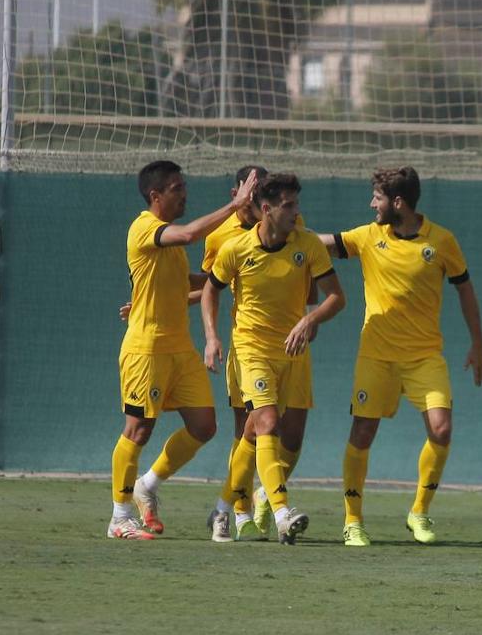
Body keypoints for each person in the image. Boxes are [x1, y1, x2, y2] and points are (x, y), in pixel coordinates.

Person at [319, 167, 482, 547]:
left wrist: (477, 343)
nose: (371, 204)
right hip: (376, 356)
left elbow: (465, 290)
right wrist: (280, 228)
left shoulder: (441, 241)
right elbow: (323, 243)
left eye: (376, 198)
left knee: (441, 430)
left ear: (398, 203)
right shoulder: (368, 236)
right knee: (362, 433)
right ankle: (353, 521)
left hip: (424, 357)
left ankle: (419, 512)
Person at [108, 161, 256, 540]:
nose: (184, 193)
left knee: (204, 426)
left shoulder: (168, 244)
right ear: (155, 195)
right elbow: (190, 234)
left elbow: (189, 282)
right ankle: (120, 516)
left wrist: (233, 274)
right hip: (146, 349)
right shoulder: (145, 227)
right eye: (176, 188)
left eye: (183, 186)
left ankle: (147, 485)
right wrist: (235, 205)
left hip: (179, 347)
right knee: (139, 429)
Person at [201, 173, 346, 545]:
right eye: (288, 205)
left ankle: (222, 508)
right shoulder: (236, 248)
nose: (296, 212)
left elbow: (336, 297)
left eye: (297, 204)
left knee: (267, 435)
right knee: (265, 422)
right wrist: (212, 337)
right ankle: (282, 512)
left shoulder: (307, 244)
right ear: (266, 209)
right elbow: (210, 291)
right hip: (251, 350)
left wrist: (310, 319)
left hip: (293, 351)